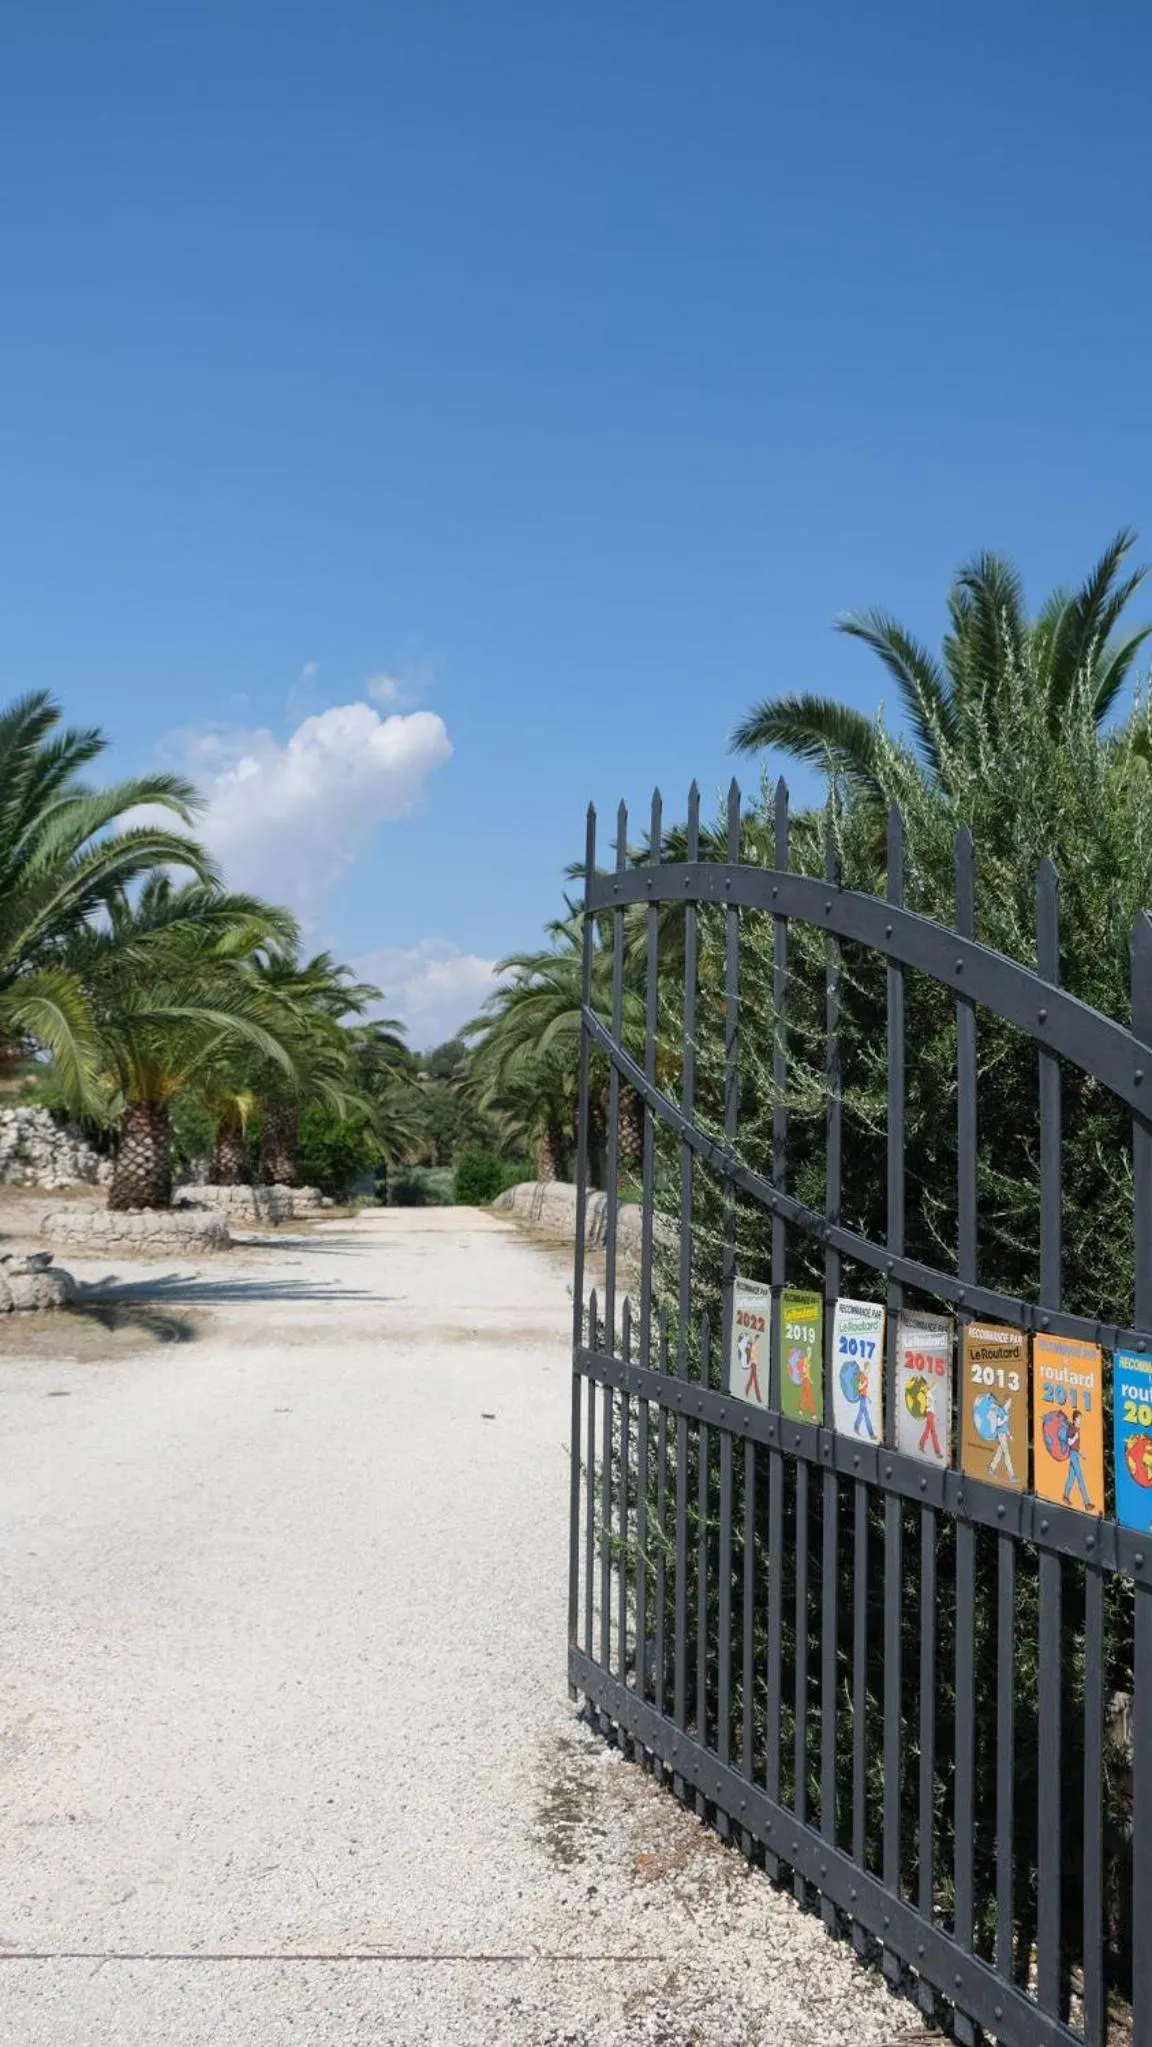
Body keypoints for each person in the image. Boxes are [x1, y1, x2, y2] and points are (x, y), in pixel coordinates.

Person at [1063, 1407, 1093, 1510]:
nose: (1081, 1421)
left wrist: (1081, 1454)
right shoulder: (1072, 1429)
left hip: (1075, 1454)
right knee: (1080, 1478)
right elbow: (1069, 1443)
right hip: (1073, 1455)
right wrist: (1075, 1437)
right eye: (1079, 1418)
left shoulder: (1077, 1429)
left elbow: (1076, 1446)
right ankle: (1087, 1503)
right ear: (1075, 1419)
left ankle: (1065, 1496)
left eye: (1081, 1419)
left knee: (1071, 1477)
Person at [988, 1397, 1018, 1484]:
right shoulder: (1000, 1411)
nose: (1010, 1404)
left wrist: (1009, 1435)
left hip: (1004, 1434)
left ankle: (991, 1469)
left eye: (1010, 1403)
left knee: (999, 1453)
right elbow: (998, 1424)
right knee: (1006, 1454)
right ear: (1005, 1402)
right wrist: (1004, 1419)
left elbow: (1005, 1426)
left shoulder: (1006, 1412)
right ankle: (1012, 1476)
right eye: (1009, 1402)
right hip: (1001, 1435)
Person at [918, 1380, 943, 1460]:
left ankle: (921, 1445)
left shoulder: (928, 1392)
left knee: (929, 1431)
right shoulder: (924, 1394)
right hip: (929, 1413)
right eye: (925, 1385)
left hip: (931, 1413)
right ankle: (937, 1452)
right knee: (933, 1432)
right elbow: (927, 1403)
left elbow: (934, 1385)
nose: (926, 1386)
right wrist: (931, 1400)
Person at [853, 1368, 876, 1439]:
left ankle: (856, 1427)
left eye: (868, 1370)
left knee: (861, 1413)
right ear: (865, 1369)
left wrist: (868, 1398)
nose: (868, 1371)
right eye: (867, 1370)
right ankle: (871, 1434)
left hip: (864, 1397)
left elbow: (864, 1390)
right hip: (862, 1397)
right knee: (866, 1415)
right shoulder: (862, 1376)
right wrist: (864, 1383)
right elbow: (859, 1387)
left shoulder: (866, 1378)